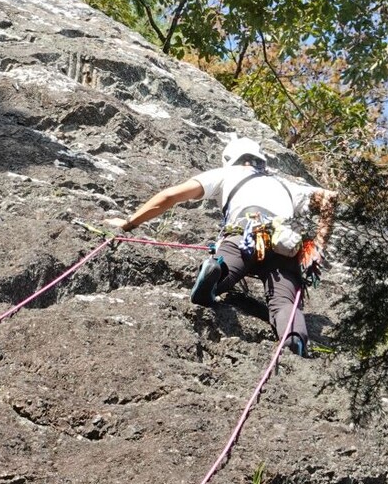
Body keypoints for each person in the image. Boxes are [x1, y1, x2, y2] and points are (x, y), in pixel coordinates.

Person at [102, 134, 335, 357]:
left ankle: (216, 274)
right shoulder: (286, 185)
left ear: (229, 159)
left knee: (226, 268)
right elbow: (329, 198)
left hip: (243, 238)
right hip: (284, 247)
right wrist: (318, 246)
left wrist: (127, 224)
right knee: (284, 303)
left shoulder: (227, 174)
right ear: (261, 160)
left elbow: (170, 196)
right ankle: (294, 338)